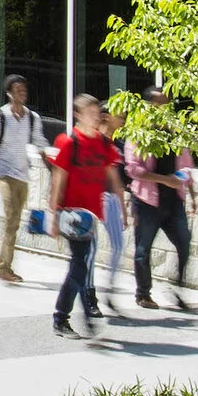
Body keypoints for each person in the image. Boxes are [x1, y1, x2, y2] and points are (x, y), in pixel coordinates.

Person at [49, 94, 128, 338]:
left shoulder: (103, 144)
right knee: (80, 265)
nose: (96, 116)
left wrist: (122, 208)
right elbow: (58, 179)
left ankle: (78, 318)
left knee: (81, 267)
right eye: (91, 112)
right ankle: (62, 318)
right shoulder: (69, 142)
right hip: (74, 216)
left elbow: (113, 177)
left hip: (94, 215)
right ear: (78, 115)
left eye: (98, 112)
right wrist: (54, 215)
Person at [128, 90, 197, 309]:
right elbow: (133, 169)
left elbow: (186, 165)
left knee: (184, 243)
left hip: (174, 201)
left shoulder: (175, 133)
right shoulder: (139, 134)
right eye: (159, 105)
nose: (164, 110)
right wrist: (165, 180)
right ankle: (143, 294)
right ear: (148, 107)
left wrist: (192, 194)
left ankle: (177, 287)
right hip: (147, 200)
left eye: (167, 105)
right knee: (142, 249)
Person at [0, 74, 49, 283]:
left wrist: (51, 167)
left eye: (24, 90)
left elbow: (39, 142)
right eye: (18, 91)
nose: (22, 94)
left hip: (22, 174)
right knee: (11, 219)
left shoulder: (32, 117)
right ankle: (4, 267)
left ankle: (5, 264)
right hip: (4, 174)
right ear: (9, 93)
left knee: (15, 221)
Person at [97, 105, 129, 311]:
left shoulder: (118, 143)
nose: (124, 119)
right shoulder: (95, 141)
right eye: (120, 115)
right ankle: (90, 293)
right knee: (87, 250)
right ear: (106, 117)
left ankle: (108, 289)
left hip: (111, 199)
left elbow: (117, 180)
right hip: (95, 197)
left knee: (118, 246)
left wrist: (123, 209)